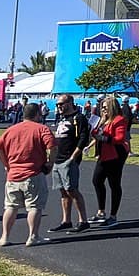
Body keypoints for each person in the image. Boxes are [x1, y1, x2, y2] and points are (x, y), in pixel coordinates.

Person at [0, 102, 57, 247]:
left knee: (10, 206)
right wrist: (50, 163)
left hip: (13, 174)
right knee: (34, 206)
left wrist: (7, 165)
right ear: (37, 114)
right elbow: (52, 147)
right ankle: (33, 236)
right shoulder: (41, 129)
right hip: (33, 173)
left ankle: (4, 237)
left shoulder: (11, 130)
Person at [48, 94, 91, 234]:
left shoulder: (78, 118)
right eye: (57, 105)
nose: (59, 107)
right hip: (58, 159)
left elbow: (83, 139)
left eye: (61, 104)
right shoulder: (62, 119)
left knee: (72, 190)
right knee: (63, 191)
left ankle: (83, 221)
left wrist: (73, 158)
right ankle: (66, 220)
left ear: (70, 103)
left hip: (68, 160)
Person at [89, 96, 129, 228]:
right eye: (102, 107)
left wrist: (103, 137)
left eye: (106, 107)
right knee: (97, 180)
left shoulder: (119, 120)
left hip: (116, 154)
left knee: (114, 183)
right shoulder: (103, 120)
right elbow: (95, 132)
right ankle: (101, 212)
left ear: (112, 107)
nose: (103, 109)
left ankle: (113, 216)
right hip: (104, 154)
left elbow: (120, 138)